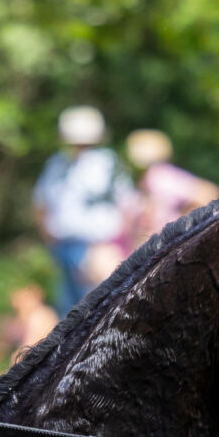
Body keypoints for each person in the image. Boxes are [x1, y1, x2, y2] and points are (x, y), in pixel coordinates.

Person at [33, 106, 132, 313]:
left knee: (96, 310)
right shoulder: (56, 164)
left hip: (98, 246)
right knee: (69, 311)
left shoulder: (109, 163)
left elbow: (127, 207)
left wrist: (114, 244)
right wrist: (51, 240)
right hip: (64, 246)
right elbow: (41, 205)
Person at [120, 129, 219, 251]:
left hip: (166, 248)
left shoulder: (161, 176)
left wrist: (182, 223)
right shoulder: (136, 181)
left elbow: (208, 193)